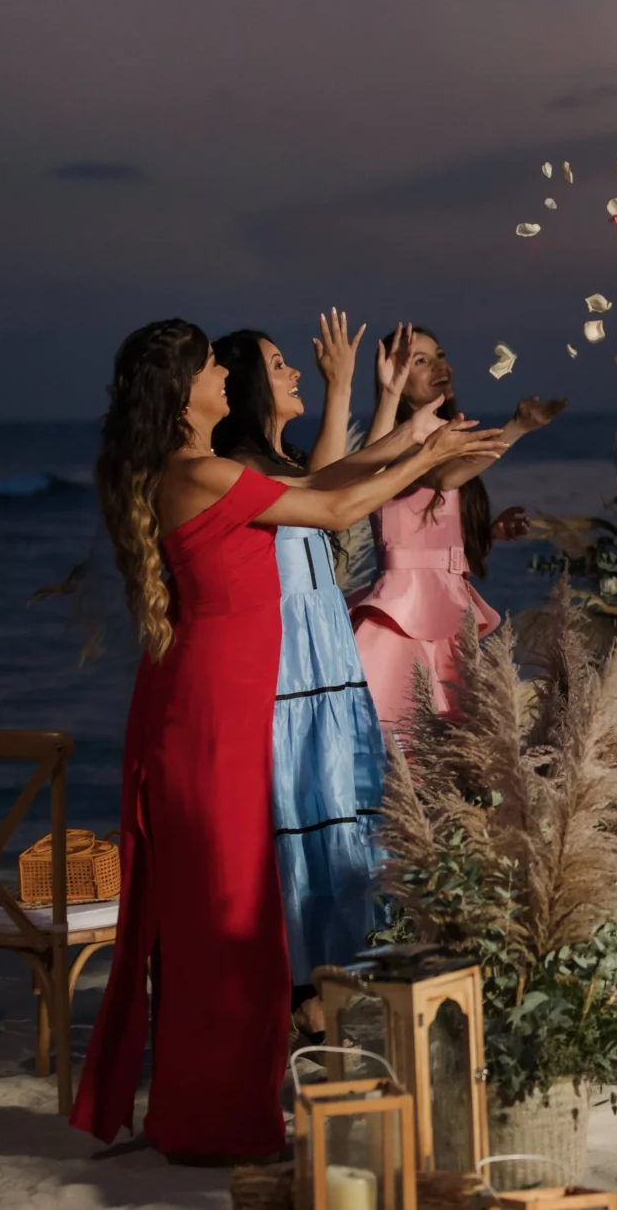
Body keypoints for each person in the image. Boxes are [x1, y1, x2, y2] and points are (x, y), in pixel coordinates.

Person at [75, 319, 503, 1162]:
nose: (224, 379)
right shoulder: (197, 472)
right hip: (217, 709)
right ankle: (215, 1114)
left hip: (223, 700)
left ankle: (220, 1104)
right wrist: (423, 459)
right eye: (209, 368)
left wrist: (414, 435)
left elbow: (323, 483)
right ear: (181, 394)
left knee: (237, 911)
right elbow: (339, 506)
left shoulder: (206, 471)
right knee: (228, 915)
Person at [210, 312, 449, 1031]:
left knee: (345, 822)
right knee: (305, 823)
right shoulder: (245, 474)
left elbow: (339, 478)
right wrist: (363, 401)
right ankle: (301, 993)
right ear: (252, 388)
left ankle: (340, 983)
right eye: (277, 364)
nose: (290, 372)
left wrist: (370, 397)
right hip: (291, 677)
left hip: (328, 669)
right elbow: (338, 495)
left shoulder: (278, 469)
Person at [350, 324, 563, 734]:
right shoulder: (398, 440)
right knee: (403, 744)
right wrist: (516, 427)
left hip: (446, 609)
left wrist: (488, 534)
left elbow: (430, 528)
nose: (439, 366)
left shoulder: (447, 436)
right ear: (393, 376)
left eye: (441, 355)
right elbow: (442, 477)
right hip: (402, 615)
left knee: (451, 752)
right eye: (421, 360)